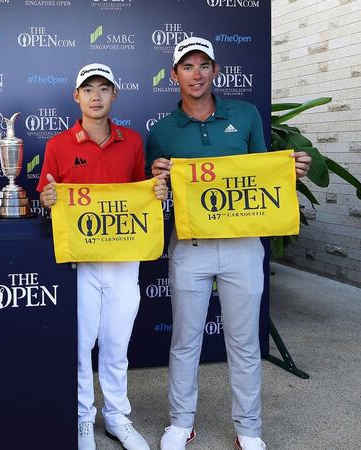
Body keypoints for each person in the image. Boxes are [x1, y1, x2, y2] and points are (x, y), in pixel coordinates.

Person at [146, 36, 311, 450]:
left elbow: (262, 172)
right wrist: (158, 178)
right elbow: (155, 192)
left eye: (204, 65)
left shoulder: (247, 114)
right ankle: (181, 423)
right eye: (187, 66)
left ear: (215, 71)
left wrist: (292, 171)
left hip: (243, 246)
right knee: (185, 339)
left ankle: (249, 429)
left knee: (242, 340)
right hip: (190, 246)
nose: (196, 73)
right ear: (174, 76)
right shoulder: (163, 131)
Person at [38, 63, 168, 450]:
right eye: (88, 89)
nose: (96, 96)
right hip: (80, 261)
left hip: (124, 258)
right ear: (76, 96)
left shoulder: (132, 141)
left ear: (115, 95)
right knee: (80, 344)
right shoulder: (58, 144)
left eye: (104, 89)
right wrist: (48, 200)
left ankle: (116, 416)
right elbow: (49, 194)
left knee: (116, 343)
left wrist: (157, 194)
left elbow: (139, 193)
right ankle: (82, 417)